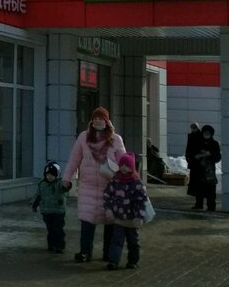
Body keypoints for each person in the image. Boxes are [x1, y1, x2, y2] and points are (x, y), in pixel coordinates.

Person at [60, 106, 126, 263]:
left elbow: (124, 162)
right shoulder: (83, 137)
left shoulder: (115, 139)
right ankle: (85, 252)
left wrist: (129, 180)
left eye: (101, 118)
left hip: (109, 188)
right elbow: (74, 159)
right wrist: (66, 178)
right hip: (87, 186)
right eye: (95, 118)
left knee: (110, 221)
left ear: (106, 120)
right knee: (87, 220)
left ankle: (108, 253)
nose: (97, 120)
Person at [102, 152, 149, 270]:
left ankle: (133, 261)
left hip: (132, 220)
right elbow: (107, 194)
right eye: (122, 165)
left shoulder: (136, 182)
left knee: (133, 242)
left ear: (131, 167)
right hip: (118, 218)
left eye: (127, 165)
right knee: (116, 241)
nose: (123, 168)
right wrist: (108, 209)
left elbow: (142, 201)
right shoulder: (115, 180)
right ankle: (113, 261)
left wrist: (140, 216)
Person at [32, 161, 70, 253]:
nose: (50, 176)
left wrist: (67, 185)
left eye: (53, 175)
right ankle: (51, 244)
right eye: (48, 174)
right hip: (46, 211)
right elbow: (38, 195)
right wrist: (34, 204)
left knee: (58, 229)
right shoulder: (42, 184)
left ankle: (59, 246)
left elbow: (64, 187)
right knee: (50, 229)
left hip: (58, 211)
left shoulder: (59, 183)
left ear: (57, 175)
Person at [187, 124, 222, 211]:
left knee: (210, 189)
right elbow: (191, 152)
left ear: (211, 133)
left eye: (208, 133)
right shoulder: (198, 142)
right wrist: (198, 156)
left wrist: (209, 155)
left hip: (209, 171)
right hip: (198, 170)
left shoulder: (214, 144)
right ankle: (198, 204)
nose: (206, 134)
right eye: (204, 132)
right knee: (199, 187)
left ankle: (211, 206)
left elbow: (218, 157)